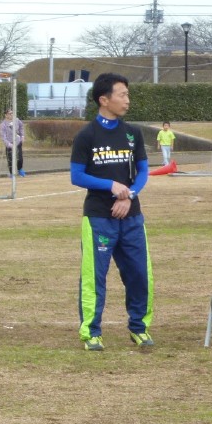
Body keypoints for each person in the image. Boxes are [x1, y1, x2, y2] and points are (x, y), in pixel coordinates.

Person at [70, 72, 153, 351]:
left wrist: (129, 195)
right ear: (104, 100)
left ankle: (139, 327)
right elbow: (77, 176)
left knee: (139, 273)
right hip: (98, 218)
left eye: (128, 94)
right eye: (122, 94)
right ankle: (91, 332)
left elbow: (143, 171)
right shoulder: (87, 135)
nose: (127, 100)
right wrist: (111, 186)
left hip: (132, 217)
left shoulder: (133, 133)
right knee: (95, 277)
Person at [0, 108, 25, 177]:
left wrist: (22, 136)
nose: (12, 115)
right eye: (10, 113)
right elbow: (3, 137)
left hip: (18, 142)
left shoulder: (17, 120)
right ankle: (11, 174)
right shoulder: (3, 124)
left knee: (19, 159)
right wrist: (9, 144)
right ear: (6, 115)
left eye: (12, 113)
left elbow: (21, 127)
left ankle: (20, 169)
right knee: (10, 160)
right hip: (10, 144)